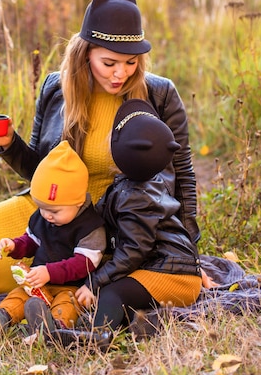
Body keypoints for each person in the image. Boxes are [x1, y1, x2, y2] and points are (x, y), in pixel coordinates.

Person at [0, 0, 201, 294]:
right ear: (86, 53)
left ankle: (71, 278)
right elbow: (39, 172)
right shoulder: (55, 88)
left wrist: (189, 257)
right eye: (109, 62)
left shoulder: (160, 95)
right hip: (53, 212)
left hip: (117, 225)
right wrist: (8, 144)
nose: (121, 73)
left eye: (131, 62)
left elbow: (183, 176)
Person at [74, 99, 202, 334]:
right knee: (122, 291)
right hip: (168, 268)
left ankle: (96, 334)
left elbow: (133, 251)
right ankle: (149, 321)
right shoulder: (142, 184)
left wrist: (95, 281)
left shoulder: (136, 198)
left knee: (113, 292)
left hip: (172, 274)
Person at [0, 141, 106, 336]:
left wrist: (49, 272)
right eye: (42, 207)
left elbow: (84, 263)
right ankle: (0, 318)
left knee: (67, 303)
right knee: (19, 296)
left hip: (73, 286)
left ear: (78, 201)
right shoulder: (42, 217)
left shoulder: (91, 227)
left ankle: (54, 326)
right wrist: (14, 245)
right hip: (38, 284)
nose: (47, 215)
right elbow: (31, 241)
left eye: (54, 210)